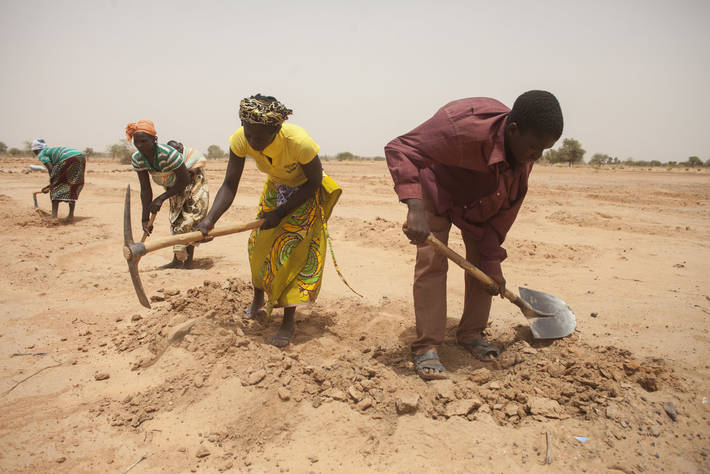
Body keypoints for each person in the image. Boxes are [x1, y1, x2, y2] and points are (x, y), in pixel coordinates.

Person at [384, 90, 563, 380]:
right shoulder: (462, 127)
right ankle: (427, 346)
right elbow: (400, 149)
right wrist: (414, 207)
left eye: (545, 150)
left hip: (478, 205)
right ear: (513, 130)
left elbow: (498, 222)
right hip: (436, 189)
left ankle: (471, 333)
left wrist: (493, 266)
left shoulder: (521, 166)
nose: (537, 157)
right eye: (534, 147)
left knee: (484, 269)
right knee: (432, 261)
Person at [197, 94, 340, 348]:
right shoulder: (240, 140)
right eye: (249, 134)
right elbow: (229, 185)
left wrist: (281, 212)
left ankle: (288, 319)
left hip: (305, 192)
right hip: (276, 187)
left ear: (277, 129)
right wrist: (209, 219)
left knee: (291, 252)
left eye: (261, 137)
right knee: (257, 245)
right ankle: (258, 297)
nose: (254, 142)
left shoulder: (299, 143)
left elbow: (314, 182)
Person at [125, 120, 208, 269]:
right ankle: (177, 261)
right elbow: (145, 189)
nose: (140, 146)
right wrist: (145, 219)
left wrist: (161, 198)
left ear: (154, 140)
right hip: (173, 187)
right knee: (176, 221)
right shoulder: (137, 159)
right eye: (136, 142)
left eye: (144, 141)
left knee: (189, 219)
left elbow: (185, 179)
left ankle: (188, 262)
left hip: (192, 182)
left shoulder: (168, 154)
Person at [31, 138, 86, 221]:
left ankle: (53, 216)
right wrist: (50, 185)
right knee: (72, 185)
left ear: (35, 150)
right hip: (80, 156)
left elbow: (51, 169)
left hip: (68, 158)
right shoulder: (49, 151)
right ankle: (70, 216)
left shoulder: (41, 154)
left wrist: (51, 184)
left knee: (55, 187)